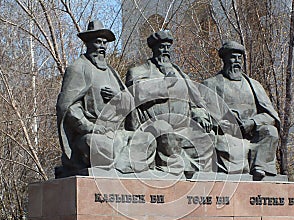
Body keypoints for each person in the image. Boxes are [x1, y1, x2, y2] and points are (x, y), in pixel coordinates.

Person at [56, 20, 155, 177]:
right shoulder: (77, 68)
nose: (102, 46)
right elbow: (68, 107)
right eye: (97, 42)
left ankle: (120, 167)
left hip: (117, 134)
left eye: (104, 43)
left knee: (148, 140)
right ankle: (122, 164)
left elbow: (129, 106)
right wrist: (89, 127)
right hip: (91, 134)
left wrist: (119, 98)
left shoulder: (111, 72)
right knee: (96, 146)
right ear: (88, 43)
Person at [125, 30, 213, 176]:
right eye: (161, 47)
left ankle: (199, 183)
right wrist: (165, 83)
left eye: (167, 47)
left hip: (184, 128)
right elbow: (139, 93)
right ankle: (172, 175)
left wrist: (200, 114)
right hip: (153, 126)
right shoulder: (138, 72)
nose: (165, 51)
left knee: (204, 139)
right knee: (165, 130)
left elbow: (195, 103)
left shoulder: (181, 75)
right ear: (153, 49)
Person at [202, 41, 280, 180]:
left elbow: (270, 115)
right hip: (226, 133)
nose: (236, 61)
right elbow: (199, 110)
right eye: (233, 57)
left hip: (252, 134)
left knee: (271, 131)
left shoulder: (254, 85)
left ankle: (259, 167)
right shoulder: (211, 84)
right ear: (224, 59)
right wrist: (217, 124)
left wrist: (252, 122)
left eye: (239, 57)